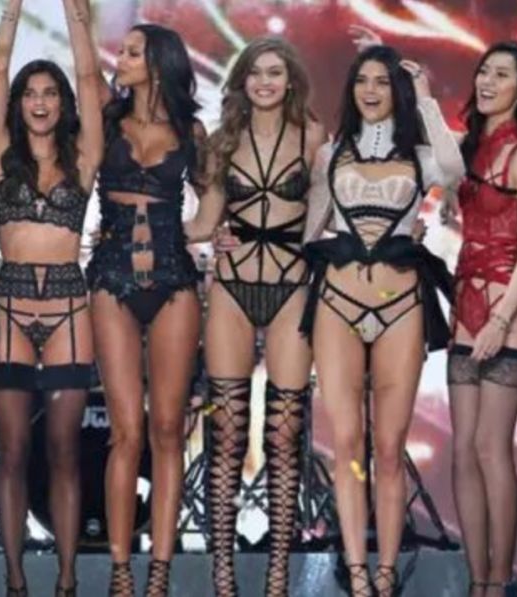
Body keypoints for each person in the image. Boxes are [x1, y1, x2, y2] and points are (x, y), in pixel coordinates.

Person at [301, 45, 463, 596]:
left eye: (381, 81)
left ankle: (387, 573)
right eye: (362, 81)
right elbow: (311, 229)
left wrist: (426, 100)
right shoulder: (331, 154)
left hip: (400, 306)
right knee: (347, 443)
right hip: (338, 302)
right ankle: (356, 572)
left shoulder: (423, 156)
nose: (370, 91)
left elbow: (455, 170)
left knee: (390, 449)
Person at [184, 36, 324, 597]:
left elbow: (326, 213)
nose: (265, 82)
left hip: (292, 285)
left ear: (290, 81)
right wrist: (137, 233)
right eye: (256, 73)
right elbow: (204, 223)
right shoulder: (223, 142)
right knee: (225, 433)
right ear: (242, 80)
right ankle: (222, 575)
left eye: (275, 72)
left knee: (285, 434)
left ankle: (277, 575)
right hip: (233, 286)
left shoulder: (313, 138)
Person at [0, 0, 101, 594]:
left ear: (63, 102)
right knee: (11, 450)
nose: (39, 101)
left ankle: (67, 579)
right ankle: (14, 580)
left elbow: (90, 77)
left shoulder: (84, 157)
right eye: (30, 93)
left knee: (63, 450)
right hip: (8, 305)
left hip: (68, 309)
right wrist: (12, 9)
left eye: (50, 92)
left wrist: (76, 14)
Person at [87, 22, 205, 596]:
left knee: (167, 429)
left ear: (158, 62)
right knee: (126, 431)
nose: (122, 57)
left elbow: (214, 203)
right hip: (111, 279)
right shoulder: (107, 119)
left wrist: (206, 233)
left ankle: (159, 571)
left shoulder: (191, 131)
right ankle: (120, 571)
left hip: (174, 280)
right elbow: (84, 67)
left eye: (134, 51)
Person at [447, 41, 517, 597]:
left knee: (491, 447)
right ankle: (476, 581)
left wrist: (501, 320)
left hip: (505, 307)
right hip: (464, 303)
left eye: (501, 74)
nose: (487, 81)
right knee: (463, 450)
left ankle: (501, 583)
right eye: (484, 71)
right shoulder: (470, 149)